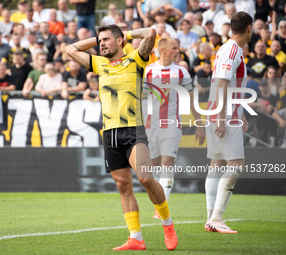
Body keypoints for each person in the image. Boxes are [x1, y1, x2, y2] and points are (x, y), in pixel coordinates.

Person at [66, 24, 178, 251]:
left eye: (106, 40)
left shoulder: (136, 59)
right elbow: (70, 49)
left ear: (120, 41)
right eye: (100, 41)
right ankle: (136, 237)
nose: (102, 44)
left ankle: (167, 224)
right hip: (110, 133)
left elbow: (151, 33)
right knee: (123, 185)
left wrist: (127, 35)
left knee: (146, 179)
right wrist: (97, 37)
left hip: (133, 129)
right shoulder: (99, 63)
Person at [144, 37, 205, 219]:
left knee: (167, 162)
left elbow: (192, 99)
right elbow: (142, 98)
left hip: (172, 123)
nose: (178, 51)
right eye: (174, 48)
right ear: (162, 50)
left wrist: (199, 125)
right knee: (153, 165)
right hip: (150, 125)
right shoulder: (148, 70)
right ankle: (158, 201)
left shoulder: (182, 72)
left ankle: (162, 206)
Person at [204, 12, 253, 234]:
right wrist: (223, 118)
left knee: (217, 164)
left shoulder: (227, 49)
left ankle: (210, 219)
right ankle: (216, 218)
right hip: (223, 115)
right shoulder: (232, 51)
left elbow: (229, 85)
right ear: (249, 28)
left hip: (222, 112)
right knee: (236, 166)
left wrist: (240, 112)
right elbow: (222, 85)